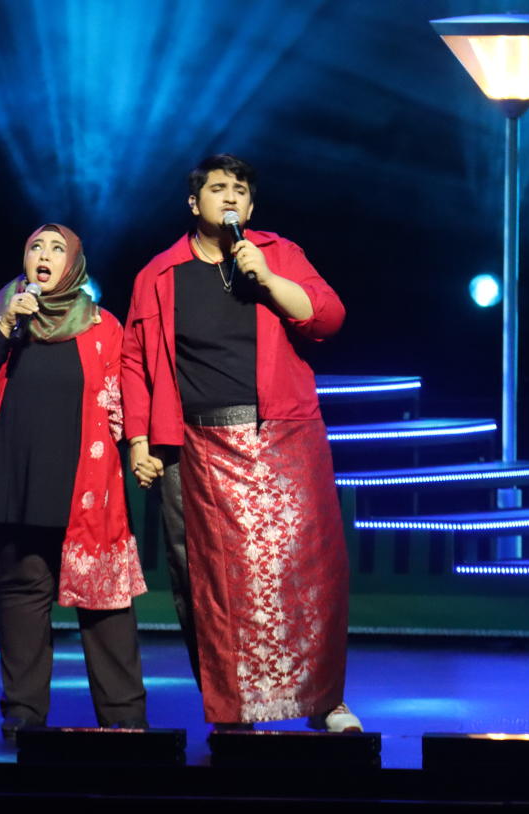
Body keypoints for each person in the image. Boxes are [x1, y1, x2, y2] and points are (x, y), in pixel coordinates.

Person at [120, 154, 359, 731]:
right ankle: (232, 710)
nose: (230, 198)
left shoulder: (278, 255)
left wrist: (269, 280)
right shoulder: (158, 274)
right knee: (205, 582)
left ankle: (324, 700)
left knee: (306, 570)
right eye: (218, 188)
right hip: (193, 444)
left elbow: (328, 319)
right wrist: (138, 440)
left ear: (251, 208)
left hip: (281, 434)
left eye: (240, 191)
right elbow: (133, 362)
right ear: (194, 202)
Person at [0, 223, 148, 738]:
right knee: (22, 594)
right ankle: (23, 713)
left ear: (74, 263)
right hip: (13, 476)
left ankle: (125, 716)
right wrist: (6, 325)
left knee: (105, 596)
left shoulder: (101, 325)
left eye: (56, 249)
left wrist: (138, 445)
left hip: (86, 480)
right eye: (35, 248)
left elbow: (119, 397)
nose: (44, 256)